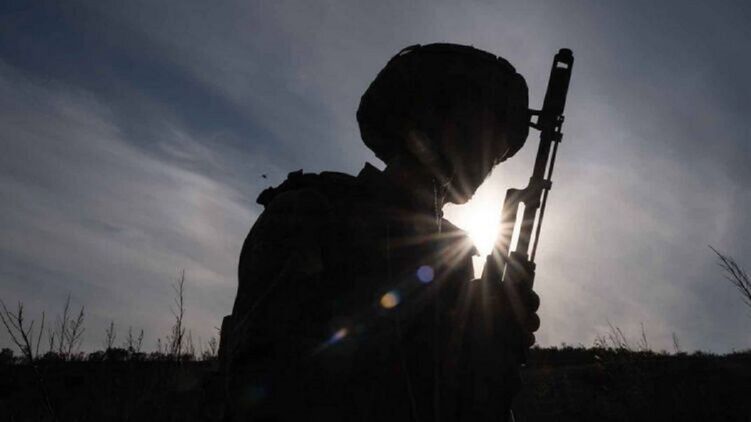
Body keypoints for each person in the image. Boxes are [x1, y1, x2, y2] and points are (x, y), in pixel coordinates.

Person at [218, 43, 540, 421]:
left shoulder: (454, 260)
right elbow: (264, 389)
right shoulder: (312, 214)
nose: (488, 158)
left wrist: (490, 357)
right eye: (478, 133)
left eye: (497, 151)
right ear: (423, 120)